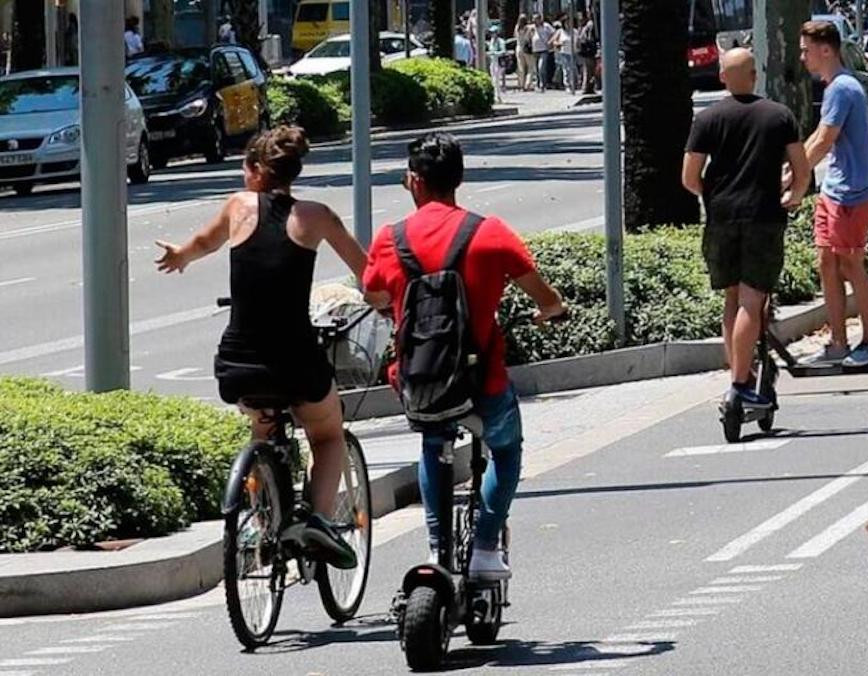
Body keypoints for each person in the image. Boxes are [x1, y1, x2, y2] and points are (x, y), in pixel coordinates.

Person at [154, 127, 368, 569]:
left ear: (254, 170)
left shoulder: (237, 206)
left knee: (262, 425)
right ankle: (319, 521)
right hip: (296, 359)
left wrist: (179, 255)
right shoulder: (317, 215)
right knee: (327, 434)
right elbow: (369, 274)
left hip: (238, 362)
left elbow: (201, 244)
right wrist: (383, 300)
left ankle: (260, 514)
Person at [363, 133, 567, 580]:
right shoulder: (489, 232)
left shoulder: (390, 238)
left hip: (420, 380)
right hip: (482, 379)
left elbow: (374, 293)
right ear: (460, 178)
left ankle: (438, 548)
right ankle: (487, 548)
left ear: (414, 182)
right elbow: (544, 296)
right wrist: (551, 311)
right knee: (506, 450)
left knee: (433, 443)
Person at [683, 49, 810, 408]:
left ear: (722, 76)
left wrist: (714, 195)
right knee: (753, 301)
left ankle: (737, 377)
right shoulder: (779, 116)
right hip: (764, 217)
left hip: (721, 218)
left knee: (732, 298)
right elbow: (801, 171)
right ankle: (741, 384)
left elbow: (689, 177)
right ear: (754, 75)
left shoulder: (707, 119)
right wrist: (793, 196)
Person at [798, 20, 868, 367]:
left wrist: (794, 177)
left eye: (806, 50)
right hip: (835, 191)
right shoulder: (835, 87)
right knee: (827, 264)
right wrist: (790, 170)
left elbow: (823, 140)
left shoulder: (843, 89)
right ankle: (838, 343)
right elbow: (817, 136)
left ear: (826, 50)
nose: (802, 57)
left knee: (850, 264)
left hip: (850, 194)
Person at [576, 13, 598, 95]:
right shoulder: (588, 25)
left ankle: (589, 87)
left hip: (586, 51)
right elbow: (588, 38)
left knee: (589, 70)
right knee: (588, 70)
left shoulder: (582, 27)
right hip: (588, 51)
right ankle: (585, 87)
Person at [552, 18, 576, 93]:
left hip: (573, 53)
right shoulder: (560, 32)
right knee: (566, 69)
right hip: (564, 53)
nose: (568, 24)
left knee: (573, 69)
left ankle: (573, 84)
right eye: (566, 23)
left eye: (569, 22)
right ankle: (567, 85)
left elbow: (578, 41)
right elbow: (554, 41)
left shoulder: (574, 31)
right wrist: (559, 44)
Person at [531, 14, 554, 92]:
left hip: (544, 49)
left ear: (540, 19)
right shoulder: (532, 28)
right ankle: (538, 84)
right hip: (535, 50)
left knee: (541, 67)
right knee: (537, 69)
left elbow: (554, 33)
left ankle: (542, 84)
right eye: (533, 19)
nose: (535, 21)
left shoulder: (546, 26)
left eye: (536, 19)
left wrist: (550, 41)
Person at [515, 15, 535, 92]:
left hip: (518, 48)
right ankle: (528, 84)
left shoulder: (517, 27)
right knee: (530, 67)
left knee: (521, 68)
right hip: (526, 49)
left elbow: (515, 36)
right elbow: (531, 38)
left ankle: (521, 85)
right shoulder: (528, 28)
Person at [487, 27, 507, 100]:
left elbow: (503, 51)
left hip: (499, 62)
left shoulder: (501, 41)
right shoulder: (491, 41)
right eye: (491, 33)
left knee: (496, 80)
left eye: (493, 32)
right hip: (492, 62)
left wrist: (494, 53)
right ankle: (496, 95)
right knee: (493, 79)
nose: (492, 34)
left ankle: (497, 96)